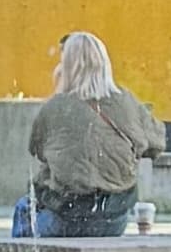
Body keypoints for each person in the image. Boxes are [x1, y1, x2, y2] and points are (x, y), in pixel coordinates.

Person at [26, 29, 159, 241]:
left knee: (24, 209)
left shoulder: (56, 107)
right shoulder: (126, 101)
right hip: (113, 220)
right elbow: (156, 143)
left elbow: (37, 149)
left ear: (67, 66)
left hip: (66, 219)